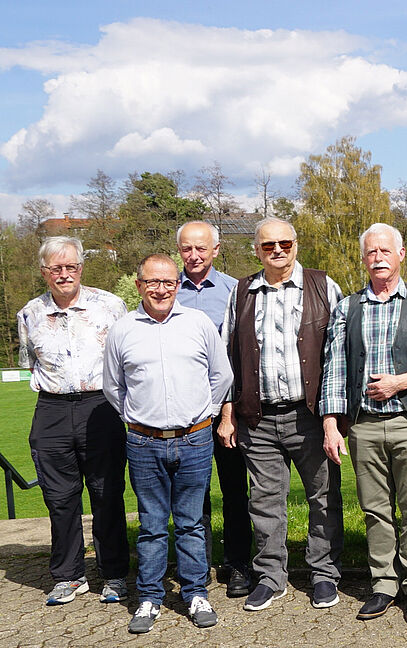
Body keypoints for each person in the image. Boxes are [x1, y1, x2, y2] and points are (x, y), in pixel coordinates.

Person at [318, 223, 407, 624]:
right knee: (375, 510)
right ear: (364, 258)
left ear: (401, 254)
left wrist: (403, 381)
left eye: (385, 251)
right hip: (363, 427)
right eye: (371, 252)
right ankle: (383, 584)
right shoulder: (348, 307)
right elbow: (334, 368)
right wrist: (330, 424)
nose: (378, 258)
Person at [103, 255, 234, 634]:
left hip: (194, 440)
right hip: (144, 443)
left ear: (177, 284)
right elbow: (114, 386)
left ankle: (195, 593)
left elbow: (220, 374)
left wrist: (205, 413)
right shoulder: (123, 329)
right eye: (152, 282)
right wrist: (136, 417)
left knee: (192, 523)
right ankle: (148, 597)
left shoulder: (197, 324)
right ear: (140, 284)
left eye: (168, 282)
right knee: (152, 526)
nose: (161, 289)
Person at [220, 217, 345, 612]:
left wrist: (334, 417)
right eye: (269, 244)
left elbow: (339, 355)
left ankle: (324, 574)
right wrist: (228, 414)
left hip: (311, 415)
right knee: (265, 501)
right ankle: (271, 577)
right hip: (257, 417)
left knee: (324, 498)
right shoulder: (242, 292)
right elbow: (228, 359)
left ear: (296, 245)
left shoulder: (324, 286)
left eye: (285, 244)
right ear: (256, 249)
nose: (277, 250)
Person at [17, 236, 129, 606]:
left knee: (106, 492)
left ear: (81, 267)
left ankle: (114, 573)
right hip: (50, 409)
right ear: (44, 271)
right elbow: (30, 363)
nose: (64, 274)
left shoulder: (111, 306)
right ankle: (69, 575)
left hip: (100, 405)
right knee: (59, 497)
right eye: (55, 268)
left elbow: (126, 358)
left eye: (71, 267)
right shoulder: (29, 313)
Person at [176, 220, 254, 598]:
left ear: (216, 249)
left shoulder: (235, 291)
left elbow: (238, 357)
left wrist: (229, 411)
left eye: (201, 248)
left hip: (226, 409)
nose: (194, 255)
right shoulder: (165, 291)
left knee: (235, 491)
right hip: (182, 413)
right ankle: (198, 564)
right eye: (187, 249)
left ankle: (239, 562)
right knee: (192, 494)